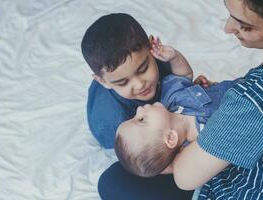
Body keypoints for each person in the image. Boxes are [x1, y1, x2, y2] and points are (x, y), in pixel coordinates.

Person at [171, 0, 263, 199]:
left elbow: (185, 177)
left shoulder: (255, 100)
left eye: (245, 26)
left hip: (259, 189)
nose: (227, 28)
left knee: (115, 181)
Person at [81, 13, 194, 199]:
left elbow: (182, 81)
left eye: (143, 69)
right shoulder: (115, 121)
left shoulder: (160, 62)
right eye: (123, 82)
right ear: (103, 81)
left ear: (151, 48)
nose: (140, 84)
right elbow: (146, 159)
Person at [114, 74, 239, 178]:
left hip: (244, 81)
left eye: (133, 116)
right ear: (170, 138)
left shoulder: (172, 100)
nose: (139, 109)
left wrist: (199, 88)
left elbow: (183, 75)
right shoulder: (206, 140)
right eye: (141, 119)